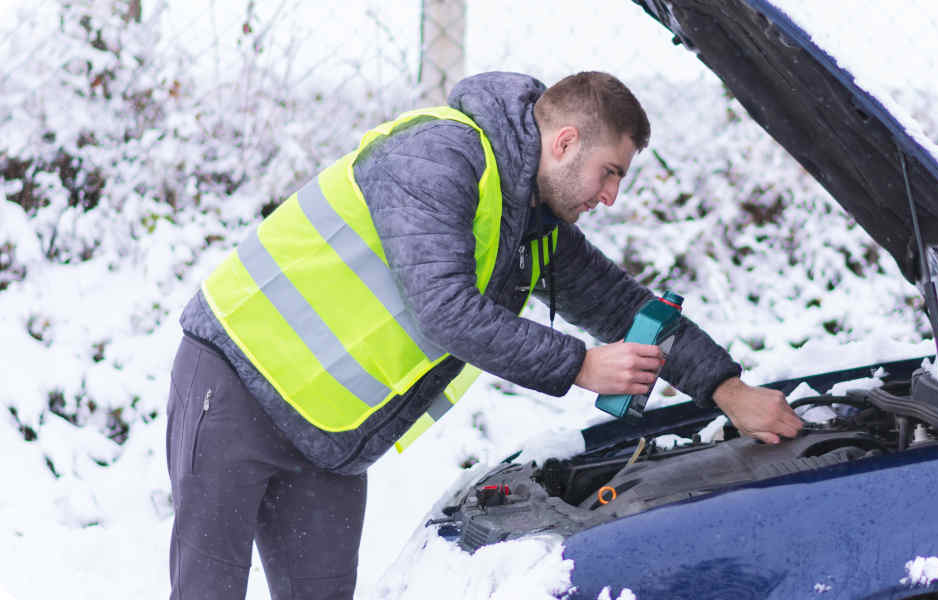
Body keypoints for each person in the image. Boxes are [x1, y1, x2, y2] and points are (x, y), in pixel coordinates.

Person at [166, 70, 804, 599]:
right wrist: (581, 366)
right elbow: (443, 308)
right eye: (609, 172)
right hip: (235, 385)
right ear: (565, 142)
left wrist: (727, 390)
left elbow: (620, 305)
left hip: (331, 433)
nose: (611, 196)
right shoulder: (440, 157)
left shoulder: (529, 221)